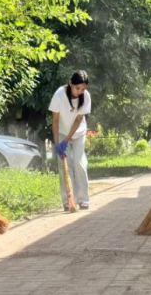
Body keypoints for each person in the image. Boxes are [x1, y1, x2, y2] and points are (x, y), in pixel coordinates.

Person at [48, 70, 91, 211]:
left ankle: (83, 199)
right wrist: (57, 143)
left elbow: (78, 121)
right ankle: (68, 200)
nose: (80, 91)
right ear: (70, 83)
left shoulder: (86, 97)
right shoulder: (59, 95)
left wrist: (66, 140)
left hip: (78, 132)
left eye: (83, 89)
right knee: (64, 165)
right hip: (61, 131)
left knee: (79, 163)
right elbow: (55, 121)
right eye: (77, 88)